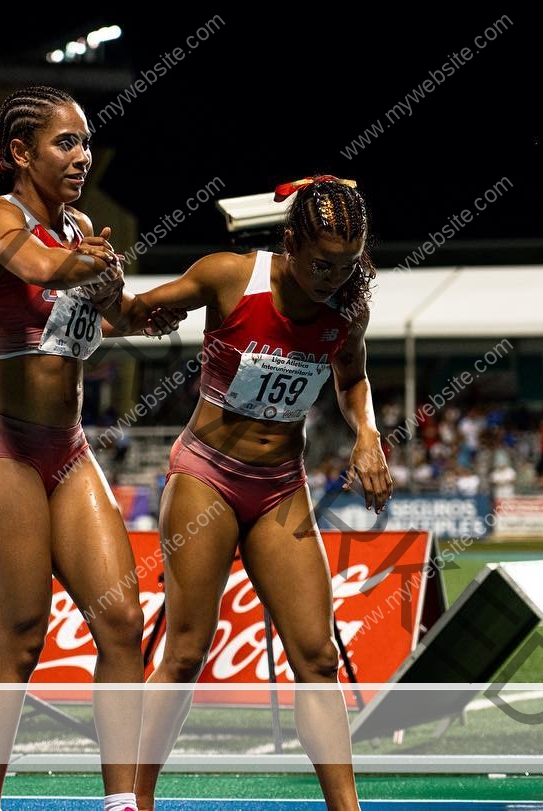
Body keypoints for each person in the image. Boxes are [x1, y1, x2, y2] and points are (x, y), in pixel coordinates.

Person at [126, 176, 392, 811]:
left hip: (280, 486)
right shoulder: (228, 277)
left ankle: (347, 809)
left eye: (347, 265)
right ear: (291, 242)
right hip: (207, 476)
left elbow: (352, 378)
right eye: (322, 263)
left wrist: (368, 434)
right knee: (186, 651)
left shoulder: (347, 307)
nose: (333, 277)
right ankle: (134, 801)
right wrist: (121, 299)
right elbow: (134, 313)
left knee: (318, 655)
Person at [0, 85, 177, 811]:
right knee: (17, 637)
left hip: (68, 451)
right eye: (65, 143)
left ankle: (121, 804)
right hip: (0, 450)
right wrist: (89, 266)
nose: (81, 157)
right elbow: (42, 269)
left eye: (85, 142)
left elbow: (126, 315)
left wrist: (201, 295)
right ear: (21, 152)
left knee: (121, 621)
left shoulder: (80, 226)